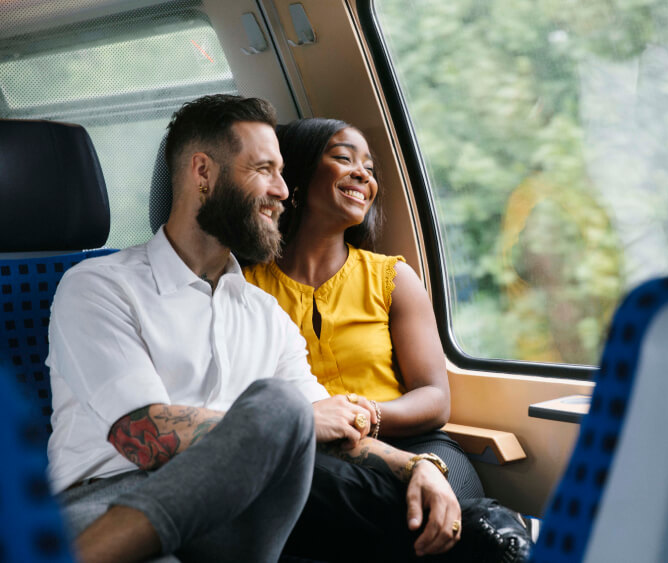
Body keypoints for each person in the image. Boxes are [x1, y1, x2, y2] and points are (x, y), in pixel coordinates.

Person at [47, 95, 464, 563]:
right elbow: (142, 436)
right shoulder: (98, 287)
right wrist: (297, 420)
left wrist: (416, 466)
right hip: (108, 497)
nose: (283, 191)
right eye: (263, 170)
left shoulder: (266, 313)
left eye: (282, 173)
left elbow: (331, 424)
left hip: (240, 508)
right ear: (202, 172)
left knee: (439, 530)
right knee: (279, 405)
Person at [244, 118, 531, 561]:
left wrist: (365, 414)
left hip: (415, 443)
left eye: (370, 168)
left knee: (448, 518)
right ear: (295, 176)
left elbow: (435, 398)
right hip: (310, 452)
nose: (363, 174)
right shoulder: (245, 285)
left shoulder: (392, 277)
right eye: (343, 158)